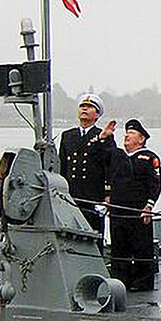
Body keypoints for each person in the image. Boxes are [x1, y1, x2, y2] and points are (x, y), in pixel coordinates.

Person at [106, 118, 161, 292]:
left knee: (141, 247)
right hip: (118, 208)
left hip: (138, 209)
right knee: (119, 246)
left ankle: (142, 282)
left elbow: (156, 183)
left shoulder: (149, 158)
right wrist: (108, 197)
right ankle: (120, 280)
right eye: (126, 133)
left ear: (141, 139)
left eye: (131, 133)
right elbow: (109, 177)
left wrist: (149, 206)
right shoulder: (118, 157)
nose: (127, 136)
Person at [58, 94, 111, 233]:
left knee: (93, 232)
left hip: (92, 196)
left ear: (97, 114)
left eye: (89, 107)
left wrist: (107, 194)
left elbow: (110, 166)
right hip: (71, 195)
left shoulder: (103, 135)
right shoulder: (68, 136)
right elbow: (62, 166)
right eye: (82, 106)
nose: (84, 110)